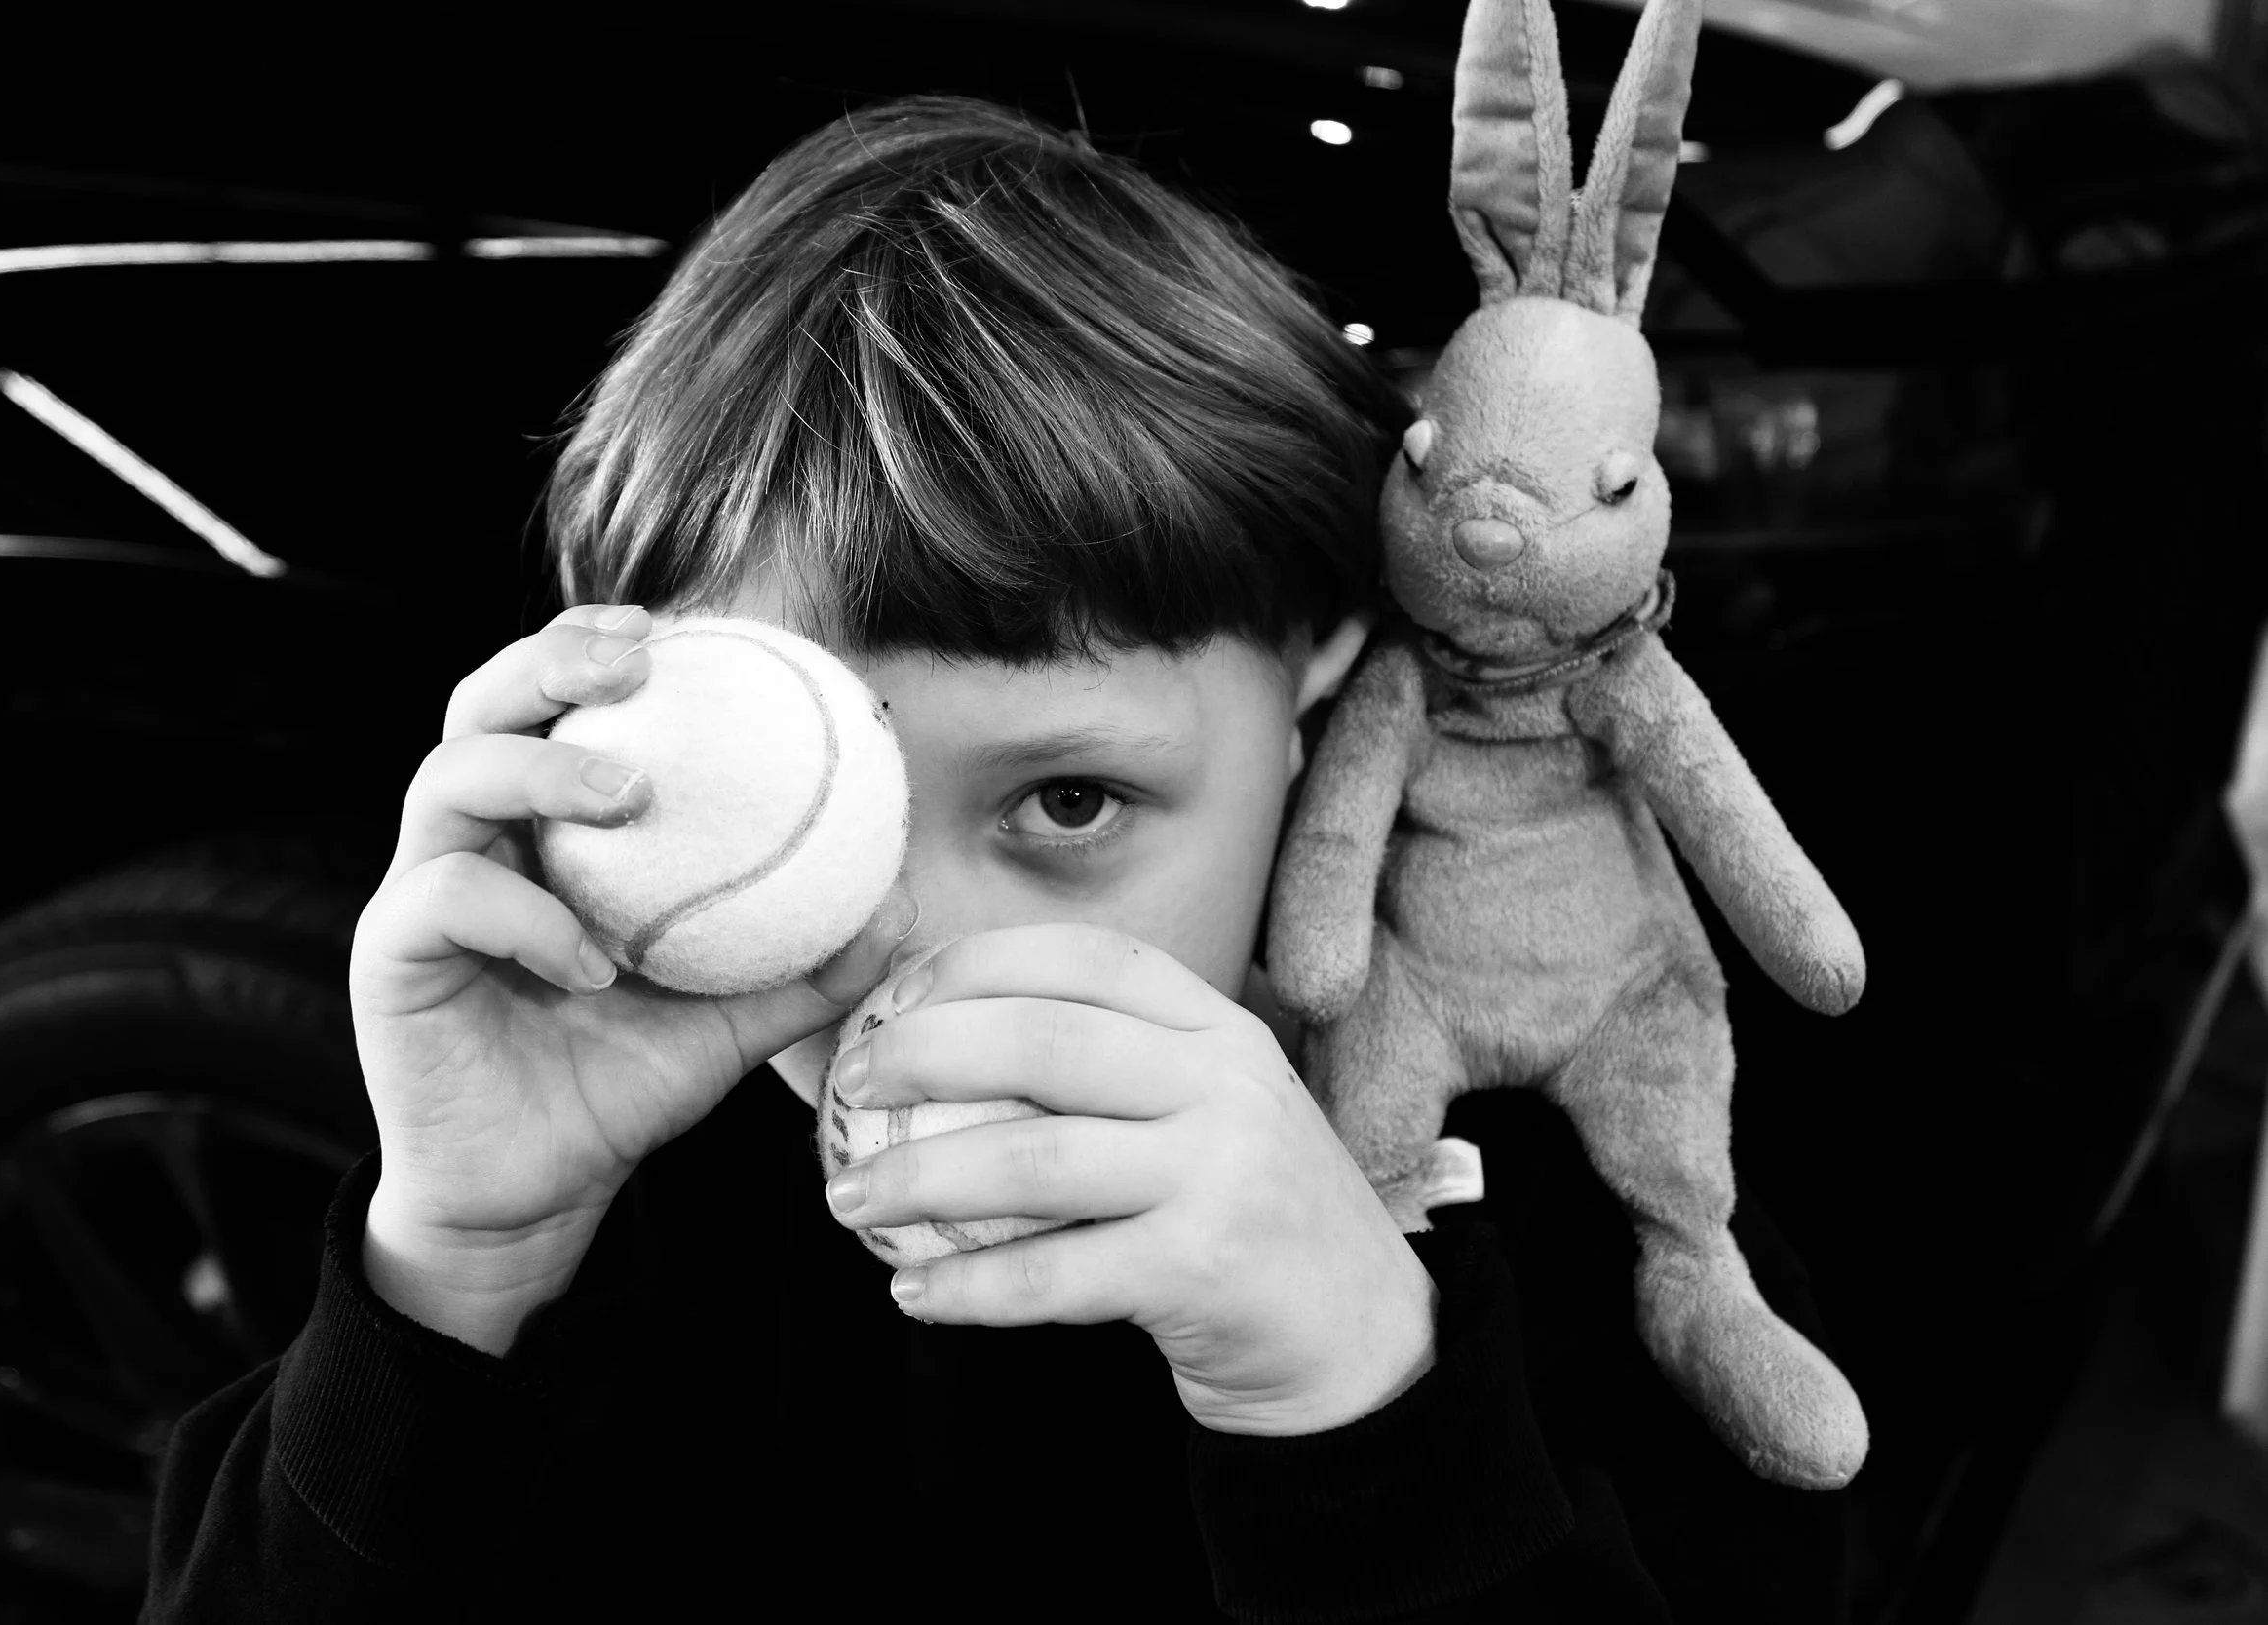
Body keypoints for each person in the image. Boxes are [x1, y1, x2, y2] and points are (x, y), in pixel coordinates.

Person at [142, 96, 1850, 1622]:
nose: (917, 950)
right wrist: (449, 1282)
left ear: (1318, 686)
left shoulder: (1563, 1205)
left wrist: (1364, 1403)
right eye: (811, 809)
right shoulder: (621, 1209)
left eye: (1070, 805)